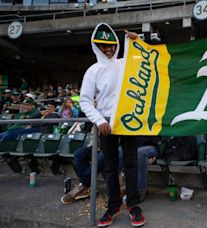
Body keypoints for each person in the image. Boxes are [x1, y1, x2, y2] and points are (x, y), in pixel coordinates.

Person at [80, 23, 145, 227]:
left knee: (131, 163)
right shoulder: (93, 71)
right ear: (96, 46)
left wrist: (138, 40)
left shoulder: (126, 63)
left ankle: (134, 205)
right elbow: (84, 100)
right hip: (106, 122)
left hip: (128, 120)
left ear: (116, 45)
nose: (108, 50)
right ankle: (113, 205)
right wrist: (99, 120)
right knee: (110, 167)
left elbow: (147, 61)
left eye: (111, 46)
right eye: (103, 46)